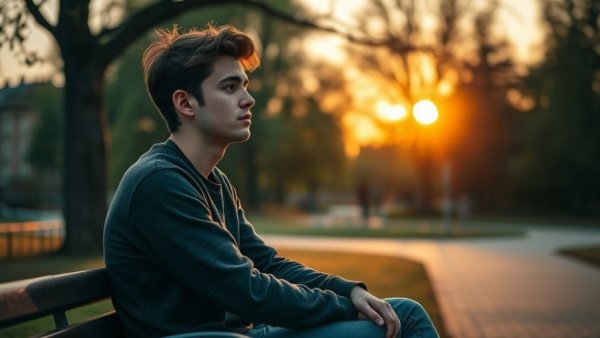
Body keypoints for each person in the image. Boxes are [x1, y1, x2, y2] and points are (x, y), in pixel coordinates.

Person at [103, 24, 439, 338]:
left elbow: (266, 264)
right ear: (185, 103)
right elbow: (249, 291)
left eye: (244, 86)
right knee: (404, 319)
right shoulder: (159, 184)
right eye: (230, 87)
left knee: (403, 312)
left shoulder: (210, 180)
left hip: (235, 333)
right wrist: (346, 307)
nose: (248, 99)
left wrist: (348, 289)